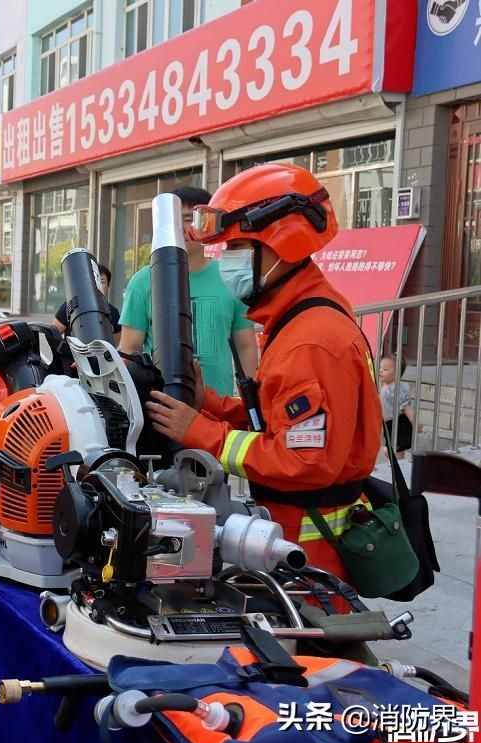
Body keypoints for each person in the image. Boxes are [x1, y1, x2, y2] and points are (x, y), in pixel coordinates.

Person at [145, 163, 381, 584]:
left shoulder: (311, 341)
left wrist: (201, 431)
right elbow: (281, 422)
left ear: (280, 246)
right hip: (294, 535)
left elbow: (302, 460)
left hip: (309, 550)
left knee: (307, 647)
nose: (226, 261)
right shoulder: (296, 318)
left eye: (236, 247)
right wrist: (212, 406)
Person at [118, 185, 258, 397]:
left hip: (220, 409)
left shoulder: (230, 278)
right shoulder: (144, 281)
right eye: (182, 218)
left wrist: (249, 400)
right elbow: (129, 349)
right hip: (161, 406)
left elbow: (245, 345)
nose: (189, 227)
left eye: (196, 219)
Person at [53, 260, 121, 336]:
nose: (97, 285)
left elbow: (116, 345)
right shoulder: (71, 306)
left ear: (108, 286)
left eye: (102, 282)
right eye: (94, 281)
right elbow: (53, 333)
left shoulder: (113, 312)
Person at [379, 354, 415, 457]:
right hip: (389, 423)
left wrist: (414, 421)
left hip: (399, 423)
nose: (381, 371)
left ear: (396, 374)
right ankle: (396, 463)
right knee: (392, 449)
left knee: (396, 450)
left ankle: (398, 464)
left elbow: (406, 406)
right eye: (381, 368)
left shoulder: (397, 389)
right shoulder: (385, 385)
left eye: (385, 369)